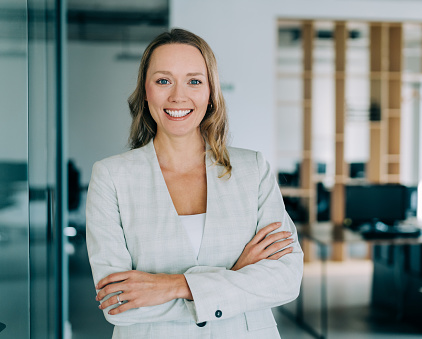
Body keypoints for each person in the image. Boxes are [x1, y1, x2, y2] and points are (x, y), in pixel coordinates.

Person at [86, 28, 303, 339]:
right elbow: (118, 302)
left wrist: (173, 286)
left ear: (210, 92)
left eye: (194, 81)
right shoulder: (112, 177)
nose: (178, 96)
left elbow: (285, 279)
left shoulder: (252, 169)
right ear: (145, 91)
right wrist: (236, 276)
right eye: (163, 81)